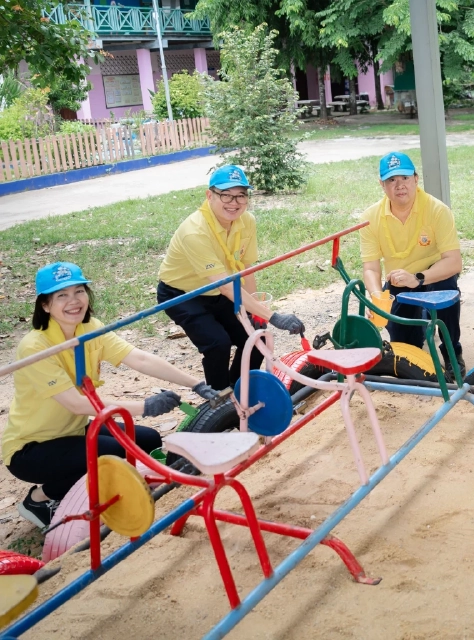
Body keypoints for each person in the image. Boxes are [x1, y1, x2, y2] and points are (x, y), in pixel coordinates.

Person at [3, 262, 219, 528]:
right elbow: (77, 403)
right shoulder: (35, 347)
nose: (74, 301)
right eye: (61, 295)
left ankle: (100, 483)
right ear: (45, 305)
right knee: (116, 452)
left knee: (148, 439)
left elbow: (138, 358)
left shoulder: (89, 327)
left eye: (79, 291)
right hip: (32, 447)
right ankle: (39, 498)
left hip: (73, 429)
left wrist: (195, 383)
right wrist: (145, 406)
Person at [157, 165, 305, 391]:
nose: (233, 202)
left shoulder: (247, 221)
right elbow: (226, 286)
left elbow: (245, 268)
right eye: (225, 195)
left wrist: (256, 312)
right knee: (217, 343)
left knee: (258, 338)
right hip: (184, 294)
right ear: (209, 195)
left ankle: (240, 389)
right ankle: (219, 401)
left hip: (221, 288)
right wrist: (274, 316)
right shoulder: (194, 231)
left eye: (240, 196)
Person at [359, 152, 465, 376]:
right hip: (398, 281)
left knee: (447, 295)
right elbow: (370, 267)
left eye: (405, 178)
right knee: (407, 347)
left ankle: (452, 350)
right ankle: (422, 319)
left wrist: (418, 278)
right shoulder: (370, 217)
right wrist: (378, 297)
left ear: (416, 179)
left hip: (434, 274)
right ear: (382, 184)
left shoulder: (437, 210)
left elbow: (454, 262)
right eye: (392, 180)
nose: (399, 186)